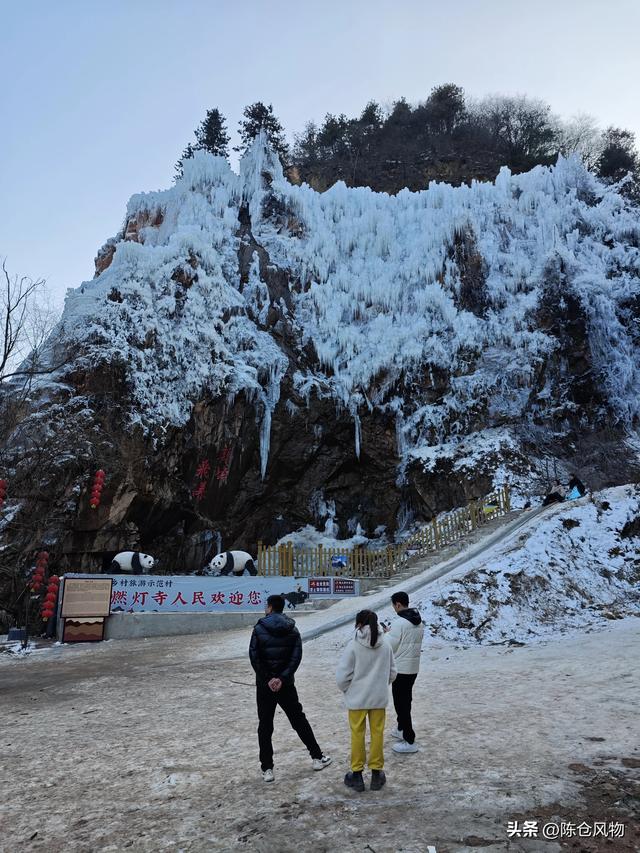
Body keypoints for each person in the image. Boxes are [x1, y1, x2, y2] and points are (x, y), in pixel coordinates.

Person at [249, 594, 331, 782]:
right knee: (298, 720)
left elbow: (254, 657)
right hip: (286, 685)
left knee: (265, 725)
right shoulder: (292, 629)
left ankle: (267, 769)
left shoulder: (259, 629)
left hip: (264, 686)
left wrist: (269, 679)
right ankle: (317, 757)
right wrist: (282, 678)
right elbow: (296, 658)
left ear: (270, 607)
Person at [336, 609, 397, 792]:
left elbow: (342, 677)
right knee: (377, 734)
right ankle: (377, 774)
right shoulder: (385, 645)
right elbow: (393, 672)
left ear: (359, 624)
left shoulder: (353, 645)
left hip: (357, 700)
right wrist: (380, 685)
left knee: (357, 734)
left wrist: (349, 690)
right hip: (378, 699)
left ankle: (357, 775)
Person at [383, 591, 425, 754]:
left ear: (398, 604)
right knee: (404, 701)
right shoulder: (418, 622)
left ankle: (409, 739)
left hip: (401, 669)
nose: (394, 608)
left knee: (402, 704)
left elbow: (389, 647)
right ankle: (401, 728)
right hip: (413, 668)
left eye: (394, 605)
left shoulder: (399, 623)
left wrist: (387, 633)